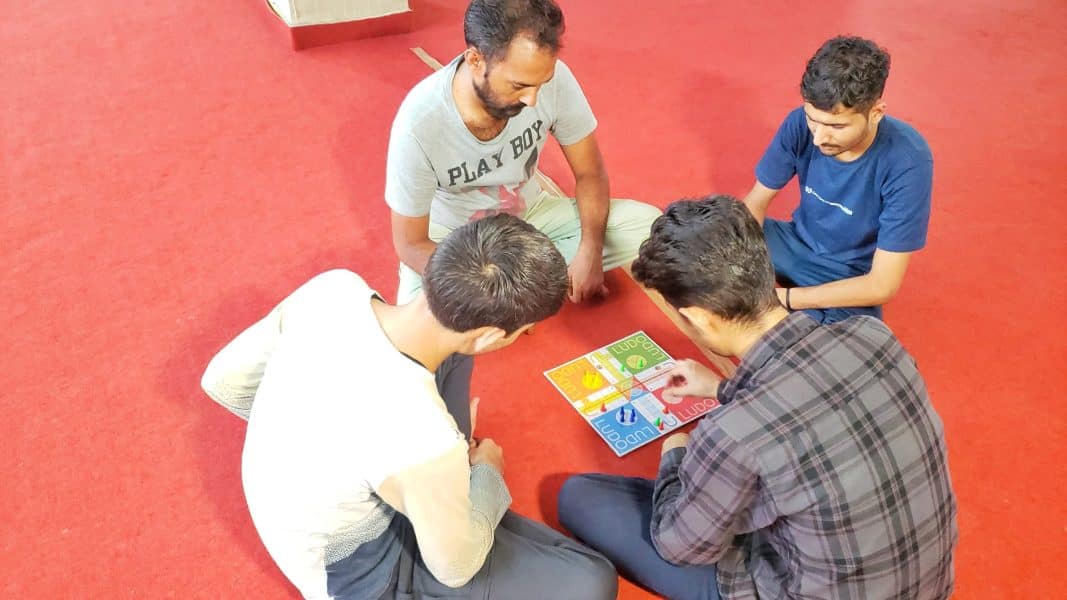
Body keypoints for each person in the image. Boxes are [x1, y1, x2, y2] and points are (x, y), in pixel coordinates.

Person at [558, 196, 958, 599]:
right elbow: (807, 399)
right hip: (929, 586)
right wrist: (721, 388)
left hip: (797, 588)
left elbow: (678, 545)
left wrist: (675, 454)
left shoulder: (731, 433)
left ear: (699, 318)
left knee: (580, 496)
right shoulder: (874, 336)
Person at [200, 214, 618, 600]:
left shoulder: (335, 289)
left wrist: (311, 424)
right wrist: (488, 471)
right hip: (358, 574)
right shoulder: (422, 435)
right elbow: (455, 568)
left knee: (453, 358)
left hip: (313, 504)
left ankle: (440, 493)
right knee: (591, 581)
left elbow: (222, 381)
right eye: (523, 331)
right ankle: (451, 491)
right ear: (491, 336)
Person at [386, 0, 660, 306]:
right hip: (454, 240)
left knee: (650, 228)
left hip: (531, 218)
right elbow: (411, 244)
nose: (532, 99)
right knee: (416, 311)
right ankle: (526, 283)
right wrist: (487, 285)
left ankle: (524, 282)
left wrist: (589, 251)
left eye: (541, 83)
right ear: (475, 60)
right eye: (518, 86)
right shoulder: (419, 124)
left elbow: (590, 173)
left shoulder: (553, 79)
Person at [741, 36, 934, 324]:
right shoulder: (799, 123)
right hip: (792, 244)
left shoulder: (908, 160)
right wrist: (736, 268)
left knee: (845, 345)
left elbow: (882, 285)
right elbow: (755, 204)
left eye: (836, 126)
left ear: (876, 113)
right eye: (813, 120)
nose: (818, 138)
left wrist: (783, 299)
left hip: (846, 275)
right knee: (706, 231)